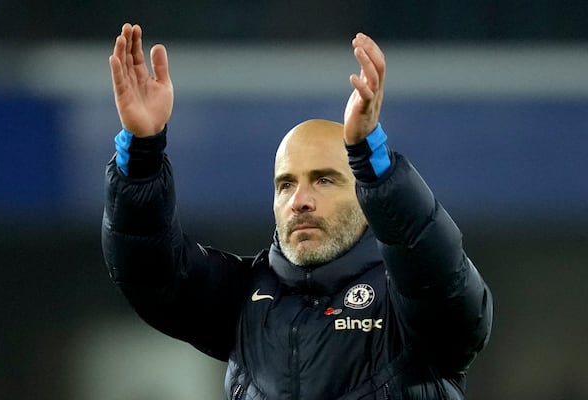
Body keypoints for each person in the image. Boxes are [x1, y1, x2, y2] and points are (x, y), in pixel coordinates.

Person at [102, 23, 493, 400]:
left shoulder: (404, 300)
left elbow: (448, 290)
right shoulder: (243, 297)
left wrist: (371, 159)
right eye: (286, 184)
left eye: (324, 180)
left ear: (365, 195)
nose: (300, 200)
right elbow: (149, 271)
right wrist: (142, 152)